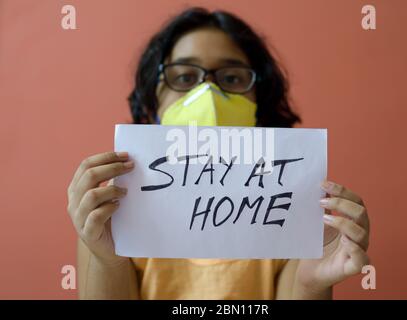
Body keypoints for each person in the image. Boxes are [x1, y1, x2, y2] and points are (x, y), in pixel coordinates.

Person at [67, 7, 370, 299]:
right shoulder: (114, 216)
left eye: (232, 78)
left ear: (259, 101)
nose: (209, 94)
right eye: (185, 77)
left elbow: (303, 286)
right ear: (152, 99)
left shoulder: (293, 205)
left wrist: (312, 285)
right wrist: (107, 260)